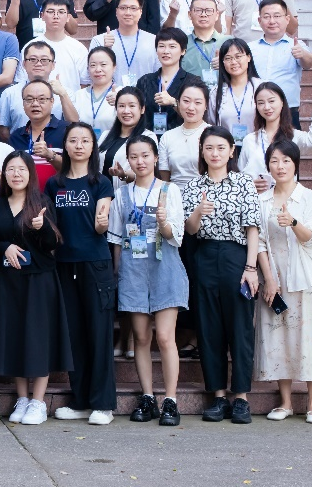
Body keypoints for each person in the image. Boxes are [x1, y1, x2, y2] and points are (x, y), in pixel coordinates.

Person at [107, 135, 187, 427]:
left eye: (145, 155)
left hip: (165, 267)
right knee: (141, 337)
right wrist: (119, 273)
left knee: (165, 337)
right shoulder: (122, 194)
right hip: (134, 271)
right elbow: (116, 238)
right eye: (134, 156)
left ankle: (171, 400)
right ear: (128, 160)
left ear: (155, 158)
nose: (140, 161)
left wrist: (164, 222)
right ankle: (148, 397)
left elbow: (177, 236)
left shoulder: (169, 190)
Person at [183, 127, 261, 425]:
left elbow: (252, 227)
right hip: (204, 256)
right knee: (208, 327)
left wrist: (251, 268)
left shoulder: (243, 182)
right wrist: (198, 212)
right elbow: (190, 230)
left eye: (220, 148)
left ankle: (240, 397)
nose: (214, 153)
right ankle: (217, 395)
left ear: (231, 151)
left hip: (236, 256)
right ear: (202, 152)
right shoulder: (194, 186)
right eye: (209, 148)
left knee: (240, 327)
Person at [0, 151, 72, 427]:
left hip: (39, 280)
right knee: (14, 337)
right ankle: (22, 398)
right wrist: (4, 247)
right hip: (8, 282)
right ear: (4, 174)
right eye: (11, 169)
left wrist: (41, 227)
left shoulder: (42, 202)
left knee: (38, 338)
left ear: (31, 174)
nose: (16, 174)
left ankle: (38, 401)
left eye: (22, 169)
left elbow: (53, 243)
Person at [255, 140, 312, 424]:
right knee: (278, 336)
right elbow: (259, 242)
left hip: (304, 277)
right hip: (275, 277)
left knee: (310, 337)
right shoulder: (262, 200)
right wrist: (269, 279)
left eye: (286, 160)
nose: (280, 166)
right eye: (274, 161)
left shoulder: (309, 197)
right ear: (268, 166)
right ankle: (285, 402)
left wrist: (294, 223)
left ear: (296, 164)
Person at [46, 122, 117, 425]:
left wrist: (102, 224)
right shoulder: (54, 184)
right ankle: (80, 401)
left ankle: (103, 404)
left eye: (85, 141)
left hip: (95, 264)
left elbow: (102, 222)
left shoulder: (101, 182)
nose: (78, 145)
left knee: (99, 334)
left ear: (92, 147)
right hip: (65, 265)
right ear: (65, 145)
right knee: (74, 335)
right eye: (73, 140)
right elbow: (51, 226)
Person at [239, 84, 312, 190]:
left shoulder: (294, 136)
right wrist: (249, 185)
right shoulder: (250, 140)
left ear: (282, 102)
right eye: (261, 103)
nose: (266, 107)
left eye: (271, 101)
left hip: (285, 198)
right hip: (256, 198)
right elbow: (241, 175)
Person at [250, 0, 312, 129]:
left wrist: (302, 54)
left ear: (287, 19)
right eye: (266, 17)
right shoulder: (249, 48)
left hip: (288, 111)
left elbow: (308, 63)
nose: (272, 21)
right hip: (256, 110)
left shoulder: (296, 45)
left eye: (277, 16)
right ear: (259, 21)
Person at [138, 28, 206, 134]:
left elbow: (198, 115)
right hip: (148, 138)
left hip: (182, 137)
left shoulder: (192, 82)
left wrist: (174, 102)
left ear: (183, 51)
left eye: (172, 46)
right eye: (161, 46)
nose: (166, 51)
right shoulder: (145, 81)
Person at [89, 0, 159, 87]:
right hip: (111, 95)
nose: (128, 13)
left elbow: (159, 74)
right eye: (123, 8)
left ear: (141, 12)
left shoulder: (154, 41)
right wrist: (105, 50)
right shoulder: (99, 40)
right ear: (116, 11)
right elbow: (92, 76)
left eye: (133, 8)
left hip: (145, 95)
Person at [0, 41, 67, 135]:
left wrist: (63, 95)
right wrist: (18, 142)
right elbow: (2, 129)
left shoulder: (64, 92)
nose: (38, 64)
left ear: (53, 65)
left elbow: (73, 124)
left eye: (44, 60)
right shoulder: (9, 93)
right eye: (33, 59)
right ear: (24, 64)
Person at [8, 79, 69, 182]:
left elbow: (76, 169)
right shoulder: (16, 136)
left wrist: (50, 155)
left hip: (58, 191)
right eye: (29, 99)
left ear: (52, 101)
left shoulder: (66, 131)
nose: (35, 104)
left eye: (41, 99)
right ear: (23, 103)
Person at [158, 83, 213, 189]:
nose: (191, 107)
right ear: (178, 103)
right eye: (186, 101)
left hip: (205, 194)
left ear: (206, 106)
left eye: (198, 102)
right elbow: (164, 179)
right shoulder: (168, 136)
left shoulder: (213, 135)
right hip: (175, 195)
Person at [99, 87, 155, 188]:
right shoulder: (105, 135)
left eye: (132, 106)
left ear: (142, 109)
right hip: (101, 194)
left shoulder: (147, 137)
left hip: (127, 194)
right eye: (121, 106)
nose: (126, 111)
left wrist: (123, 175)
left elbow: (145, 171)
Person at [31, 0, 88, 92]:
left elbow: (85, 84)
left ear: (68, 17)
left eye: (61, 12)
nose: (56, 16)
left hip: (70, 100)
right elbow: (23, 80)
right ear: (42, 16)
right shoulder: (31, 47)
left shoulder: (79, 48)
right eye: (50, 11)